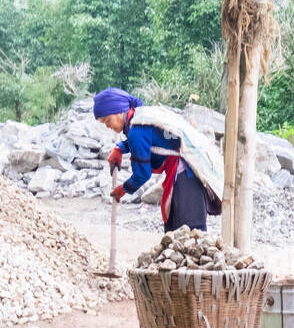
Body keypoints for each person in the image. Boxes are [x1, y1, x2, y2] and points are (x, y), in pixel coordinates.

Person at [93, 87, 216, 232]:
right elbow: (148, 137)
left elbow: (142, 174)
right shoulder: (141, 116)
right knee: (178, 230)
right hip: (192, 167)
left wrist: (124, 189)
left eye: (108, 120)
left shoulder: (136, 130)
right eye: (104, 123)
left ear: (119, 110)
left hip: (186, 173)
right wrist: (120, 148)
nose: (108, 126)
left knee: (188, 231)